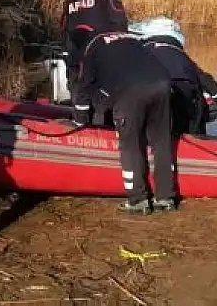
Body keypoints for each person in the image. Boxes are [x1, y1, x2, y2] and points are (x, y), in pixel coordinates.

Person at [72, 30, 176, 214]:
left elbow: (83, 88)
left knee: (130, 144)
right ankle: (165, 197)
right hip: (163, 83)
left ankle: (138, 200)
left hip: (130, 89)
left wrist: (81, 123)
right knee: (162, 141)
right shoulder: (129, 37)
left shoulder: (90, 48)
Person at [132, 17, 217, 135]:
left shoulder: (143, 51)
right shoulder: (181, 54)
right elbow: (206, 79)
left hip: (161, 95)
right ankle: (196, 139)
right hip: (189, 96)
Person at [60, 0, 128, 97]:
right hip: (100, 47)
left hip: (75, 47)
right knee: (103, 83)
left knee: (77, 84)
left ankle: (78, 111)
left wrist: (67, 50)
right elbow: (120, 20)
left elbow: (64, 26)